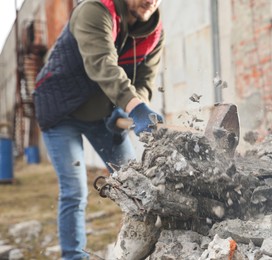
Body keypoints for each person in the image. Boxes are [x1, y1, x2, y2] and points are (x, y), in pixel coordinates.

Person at [33, 0, 164, 258]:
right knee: (74, 189)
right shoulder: (95, 9)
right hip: (60, 109)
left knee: (136, 184)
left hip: (103, 116)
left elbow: (145, 80)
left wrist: (128, 106)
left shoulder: (154, 32)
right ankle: (74, 256)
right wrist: (133, 107)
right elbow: (101, 63)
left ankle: (143, 250)